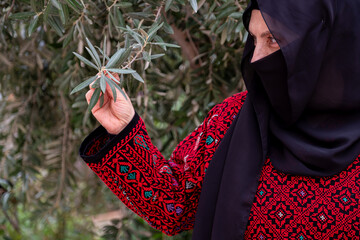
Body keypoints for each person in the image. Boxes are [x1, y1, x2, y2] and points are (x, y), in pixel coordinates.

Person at [80, 0, 360, 239]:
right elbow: (174, 205)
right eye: (253, 38)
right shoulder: (231, 118)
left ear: (323, 43)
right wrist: (124, 129)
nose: (256, 58)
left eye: (272, 39)